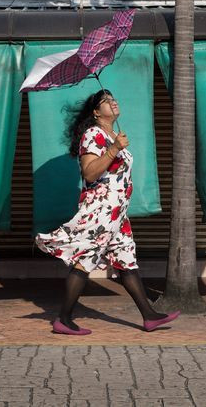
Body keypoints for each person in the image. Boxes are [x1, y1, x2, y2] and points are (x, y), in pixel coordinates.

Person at [35, 89, 180, 335]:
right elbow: (90, 173)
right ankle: (64, 319)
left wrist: (115, 144)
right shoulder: (93, 134)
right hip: (101, 210)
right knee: (85, 261)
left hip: (117, 213)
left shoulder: (112, 134)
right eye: (106, 101)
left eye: (114, 98)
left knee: (126, 260)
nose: (113, 102)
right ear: (95, 112)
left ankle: (149, 316)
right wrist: (113, 149)